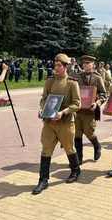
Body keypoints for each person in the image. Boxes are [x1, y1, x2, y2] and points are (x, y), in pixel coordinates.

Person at [32, 54, 81, 195]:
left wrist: (64, 112)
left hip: (65, 121)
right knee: (46, 149)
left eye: (59, 65)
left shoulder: (72, 82)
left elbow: (77, 103)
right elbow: (44, 98)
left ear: (66, 66)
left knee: (69, 148)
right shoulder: (50, 81)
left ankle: (75, 170)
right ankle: (43, 180)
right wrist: (42, 109)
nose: (56, 67)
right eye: (55, 65)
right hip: (49, 121)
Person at [75, 55, 107, 164]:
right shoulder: (77, 76)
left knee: (89, 133)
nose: (85, 65)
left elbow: (103, 94)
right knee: (77, 134)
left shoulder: (97, 78)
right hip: (78, 110)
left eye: (88, 63)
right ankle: (79, 158)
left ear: (93, 65)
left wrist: (97, 103)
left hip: (90, 110)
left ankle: (97, 146)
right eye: (84, 63)